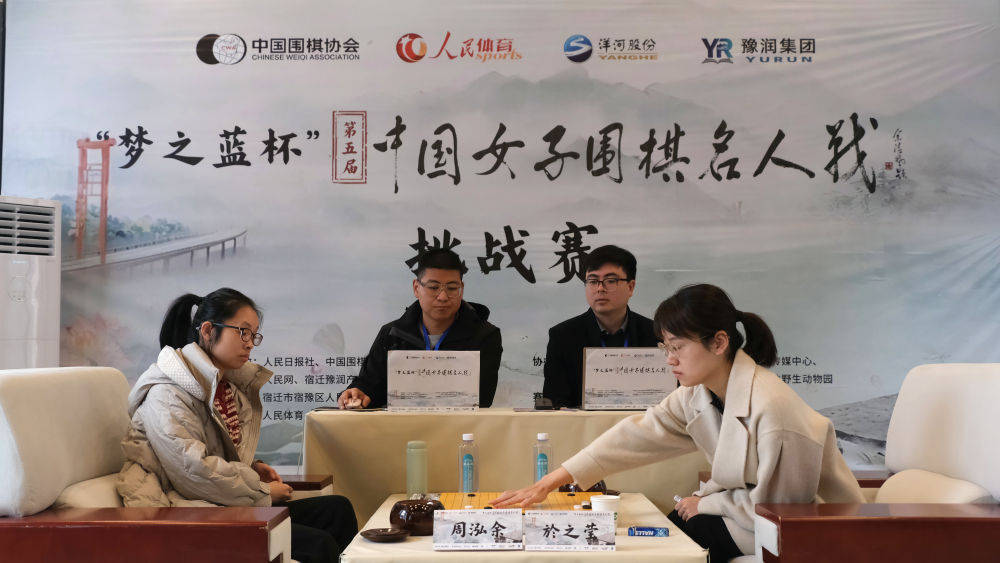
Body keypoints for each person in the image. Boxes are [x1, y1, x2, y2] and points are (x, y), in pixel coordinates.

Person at [493, 284, 864, 560]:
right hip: (747, 516)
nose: (669, 359)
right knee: (664, 531)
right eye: (665, 347)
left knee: (676, 539)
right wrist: (550, 482)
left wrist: (707, 504)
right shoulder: (697, 393)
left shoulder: (774, 409)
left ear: (719, 343)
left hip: (803, 530)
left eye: (677, 347)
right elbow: (636, 435)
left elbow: (780, 510)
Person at [116, 288, 358, 563]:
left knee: (337, 509)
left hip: (218, 502)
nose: (250, 344)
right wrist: (262, 492)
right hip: (185, 512)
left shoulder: (224, 386)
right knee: (318, 544)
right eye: (243, 332)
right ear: (208, 331)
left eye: (254, 335)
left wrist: (253, 467)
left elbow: (214, 453)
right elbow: (193, 471)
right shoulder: (167, 394)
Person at [338, 249, 502, 409]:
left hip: (460, 426)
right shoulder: (392, 334)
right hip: (401, 426)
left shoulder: (485, 336)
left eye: (452, 288)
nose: (443, 297)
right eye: (433, 287)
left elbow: (482, 399)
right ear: (416, 288)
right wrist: (358, 393)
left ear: (461, 289)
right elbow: (369, 385)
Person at [542, 245, 660, 408]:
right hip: (585, 423)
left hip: (644, 422)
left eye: (610, 281)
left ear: (630, 287)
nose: (600, 288)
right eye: (592, 281)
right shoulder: (563, 336)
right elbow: (555, 401)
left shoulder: (656, 333)